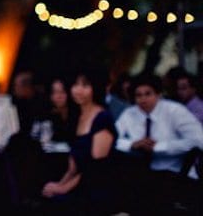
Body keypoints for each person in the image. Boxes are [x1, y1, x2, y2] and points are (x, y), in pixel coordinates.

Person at [41, 68, 117, 215]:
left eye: (85, 85)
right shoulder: (77, 116)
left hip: (97, 189)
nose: (78, 90)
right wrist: (58, 185)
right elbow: (73, 166)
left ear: (95, 87)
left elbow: (95, 169)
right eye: (75, 85)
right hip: (79, 186)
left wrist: (64, 188)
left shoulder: (102, 118)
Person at [115, 72, 203, 175]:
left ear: (158, 94)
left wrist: (159, 147)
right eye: (138, 95)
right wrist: (131, 145)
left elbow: (198, 140)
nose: (143, 99)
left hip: (178, 174)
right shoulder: (129, 113)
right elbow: (112, 138)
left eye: (148, 94)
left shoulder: (175, 111)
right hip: (143, 176)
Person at [46, 76, 79, 143]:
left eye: (62, 92)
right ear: (50, 96)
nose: (59, 96)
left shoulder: (77, 114)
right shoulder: (46, 116)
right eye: (55, 92)